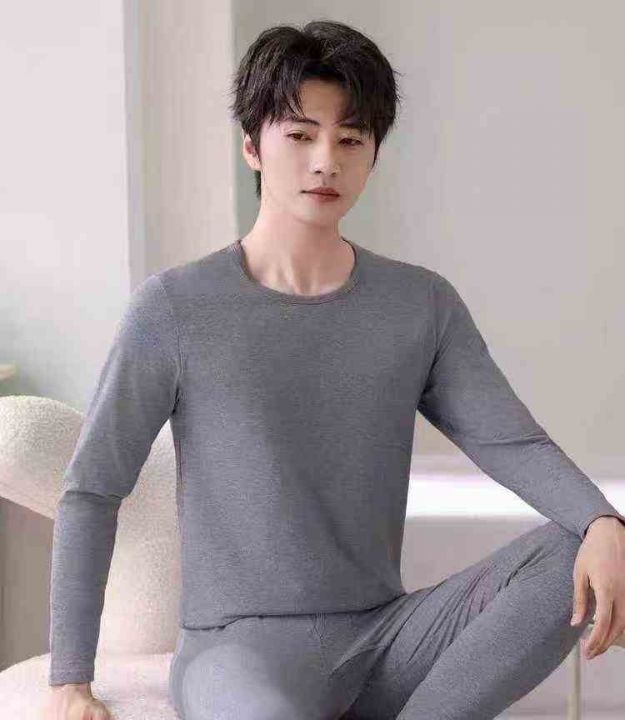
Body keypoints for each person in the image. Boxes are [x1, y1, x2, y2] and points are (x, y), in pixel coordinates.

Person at [47, 19, 625, 720]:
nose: (326, 161)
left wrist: (601, 522)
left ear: (373, 154)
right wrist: (70, 681)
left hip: (385, 639)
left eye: (350, 140)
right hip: (238, 656)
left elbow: (511, 441)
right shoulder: (175, 307)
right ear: (252, 144)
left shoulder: (420, 304)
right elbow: (93, 488)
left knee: (571, 548)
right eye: (300, 135)